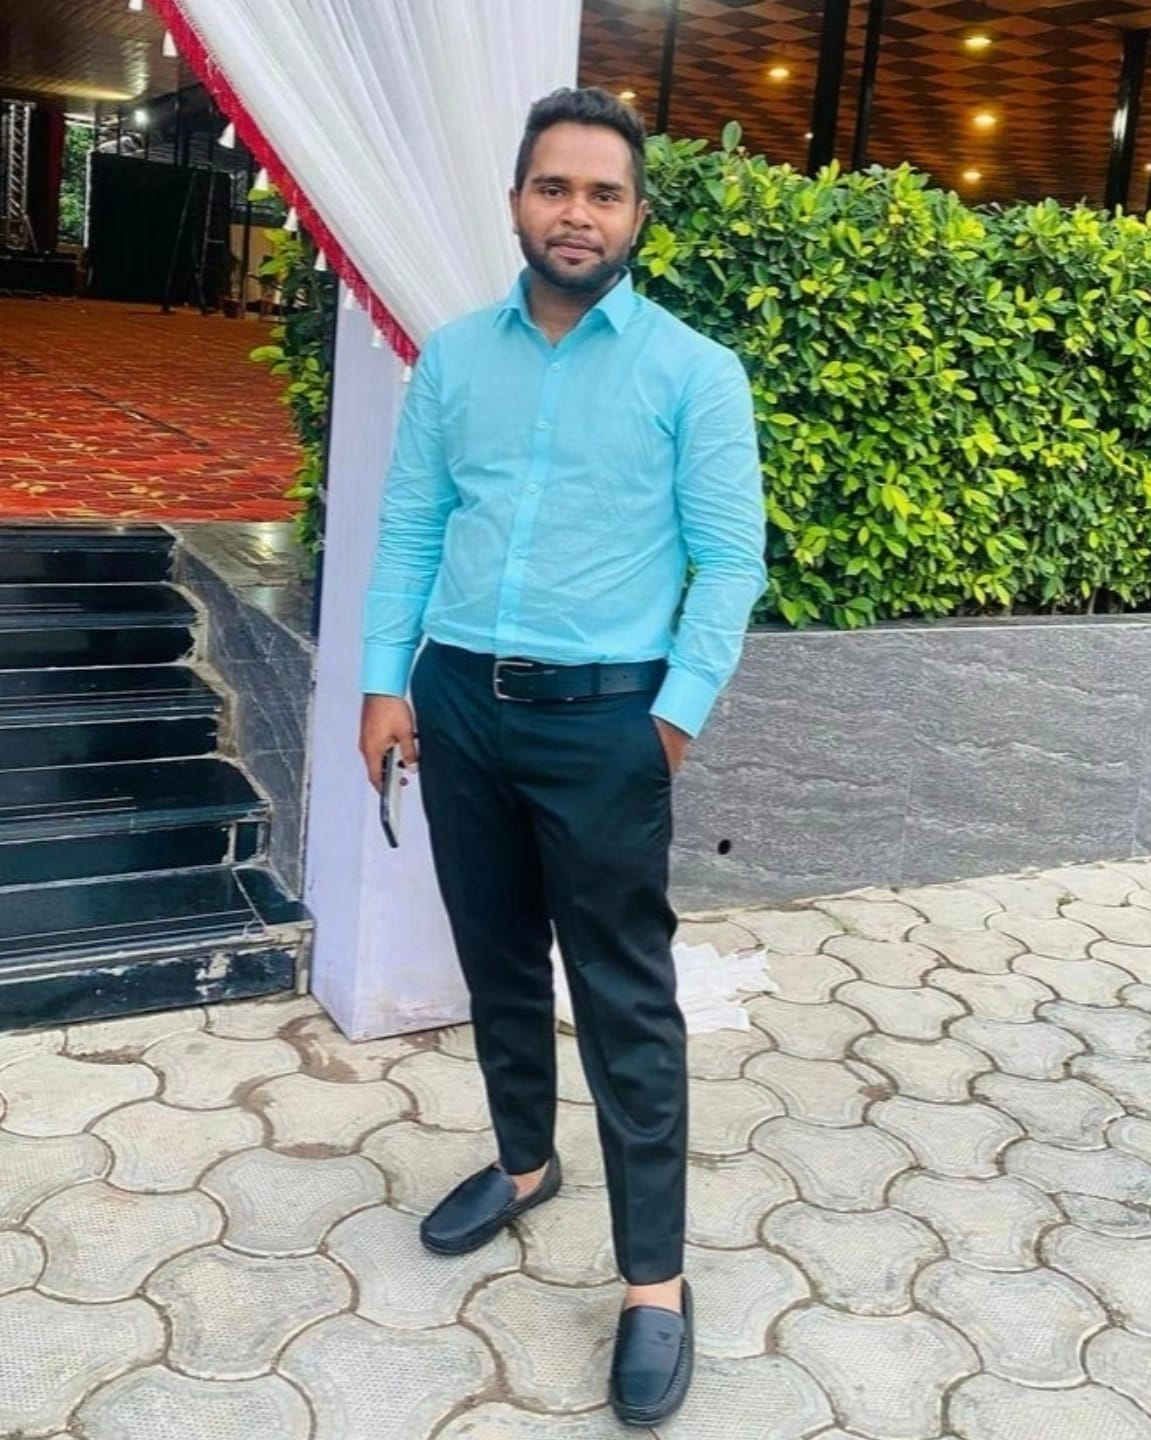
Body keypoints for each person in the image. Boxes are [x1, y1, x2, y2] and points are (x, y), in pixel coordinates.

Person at [359, 85, 766, 1426]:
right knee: (494, 958)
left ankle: (654, 1282)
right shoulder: (452, 360)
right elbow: (411, 529)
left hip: (606, 720)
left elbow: (729, 563)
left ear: (637, 216)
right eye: (555, 187)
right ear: (518, 203)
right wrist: (384, 682)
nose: (576, 213)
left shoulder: (694, 374)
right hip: (459, 706)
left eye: (603, 192)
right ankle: (526, 1161)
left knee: (624, 997)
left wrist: (671, 717)